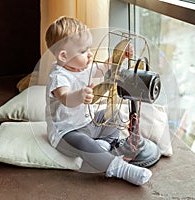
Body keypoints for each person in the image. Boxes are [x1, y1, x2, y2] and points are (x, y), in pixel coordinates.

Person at [45, 16, 152, 185]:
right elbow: (65, 98)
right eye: (83, 51)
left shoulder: (82, 66)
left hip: (88, 123)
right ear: (64, 56)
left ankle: (103, 145)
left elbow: (104, 68)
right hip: (67, 133)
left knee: (113, 114)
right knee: (83, 142)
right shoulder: (59, 77)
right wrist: (78, 95)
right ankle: (120, 169)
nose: (89, 55)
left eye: (89, 49)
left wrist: (121, 57)